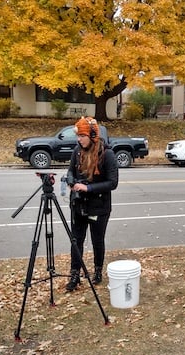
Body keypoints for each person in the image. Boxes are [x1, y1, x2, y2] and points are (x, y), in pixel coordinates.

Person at [65, 116, 118, 291]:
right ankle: (75, 274)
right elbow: (70, 171)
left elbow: (112, 183)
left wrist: (88, 188)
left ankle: (97, 271)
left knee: (97, 240)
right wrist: (72, 182)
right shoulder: (77, 151)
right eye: (78, 136)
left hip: (99, 206)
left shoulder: (107, 154)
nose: (79, 139)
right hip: (79, 205)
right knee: (76, 240)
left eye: (82, 136)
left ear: (93, 135)